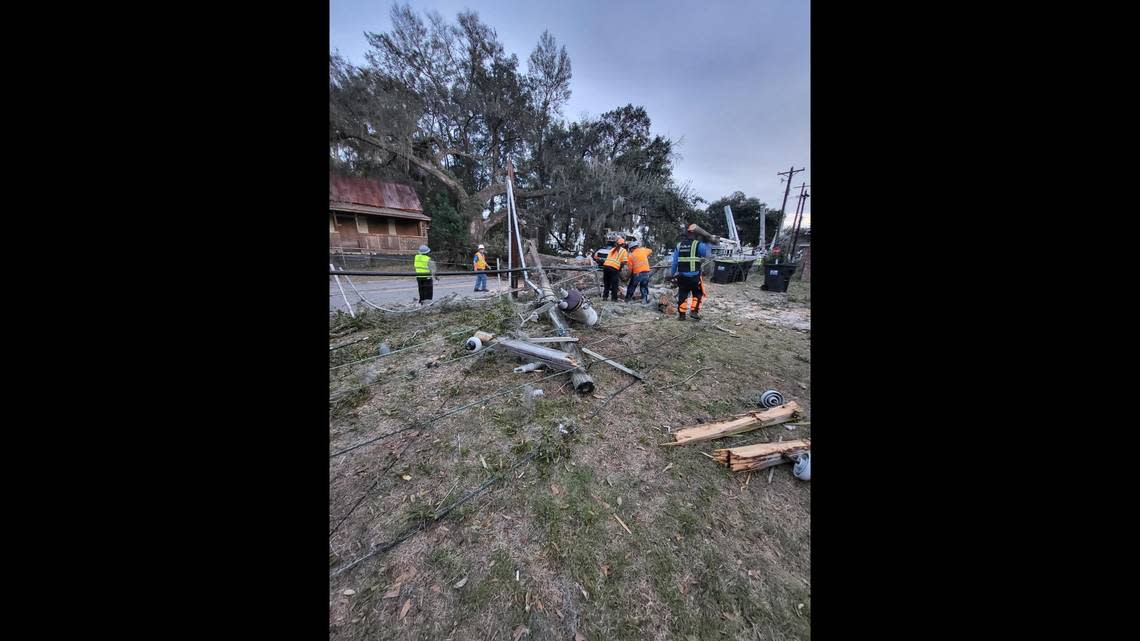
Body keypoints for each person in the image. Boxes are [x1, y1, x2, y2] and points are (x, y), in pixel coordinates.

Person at [668, 230, 712, 320]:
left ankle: (682, 315)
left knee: (683, 295)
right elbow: (707, 253)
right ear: (695, 236)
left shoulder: (679, 245)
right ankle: (694, 312)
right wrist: (707, 242)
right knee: (697, 294)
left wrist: (671, 274)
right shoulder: (698, 244)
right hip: (695, 276)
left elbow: (675, 263)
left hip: (682, 276)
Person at [601, 237, 629, 302]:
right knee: (614, 284)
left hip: (606, 267)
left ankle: (605, 297)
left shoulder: (612, 249)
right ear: (623, 244)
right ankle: (614, 298)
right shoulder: (623, 250)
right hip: (614, 268)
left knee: (607, 283)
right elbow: (624, 261)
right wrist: (619, 269)